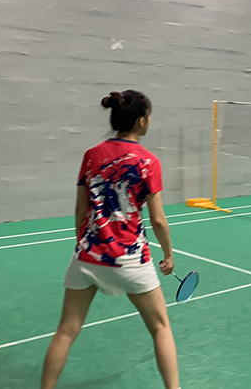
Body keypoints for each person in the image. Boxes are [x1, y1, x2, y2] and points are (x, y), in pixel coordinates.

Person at [41, 90, 180, 389]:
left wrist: (83, 243)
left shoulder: (91, 155)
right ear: (141, 120)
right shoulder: (148, 161)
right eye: (149, 116)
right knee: (160, 328)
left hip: (88, 255)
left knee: (66, 330)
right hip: (131, 259)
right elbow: (158, 220)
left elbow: (80, 209)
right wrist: (169, 254)